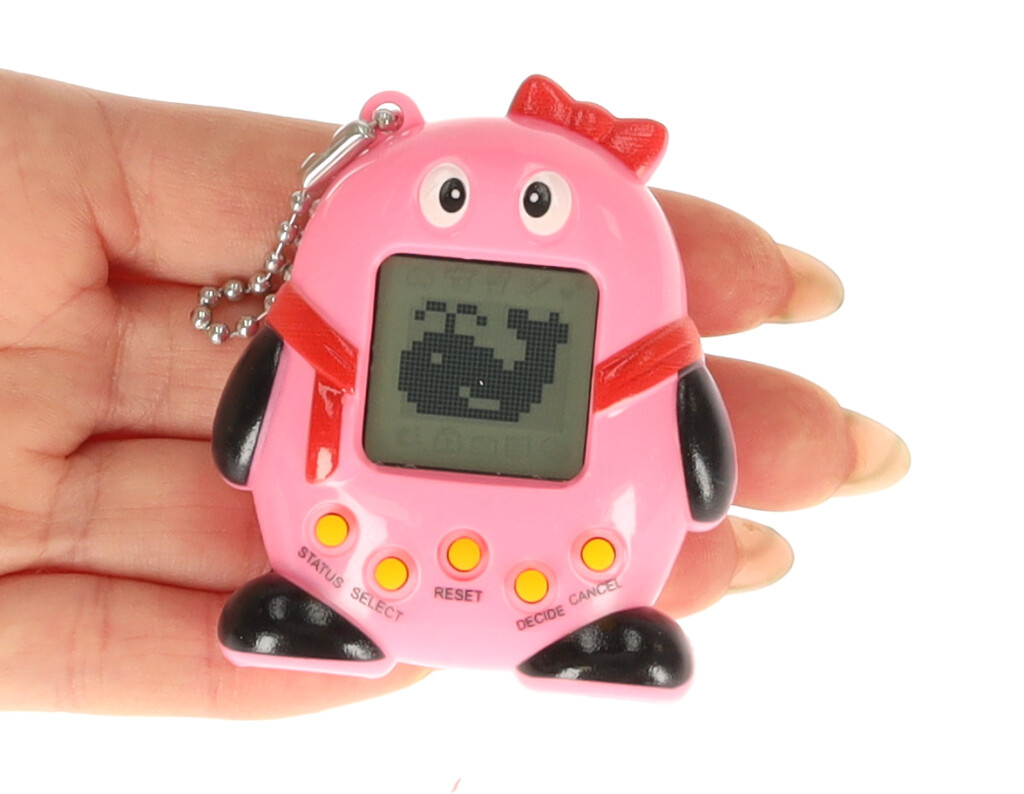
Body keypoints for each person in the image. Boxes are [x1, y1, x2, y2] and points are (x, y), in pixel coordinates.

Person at [0, 70, 909, 718]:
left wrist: (242, 445)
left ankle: (587, 633)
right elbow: (287, 365)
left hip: (558, 567)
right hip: (352, 554)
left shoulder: (637, 295)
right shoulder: (357, 264)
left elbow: (680, 405)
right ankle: (324, 608)